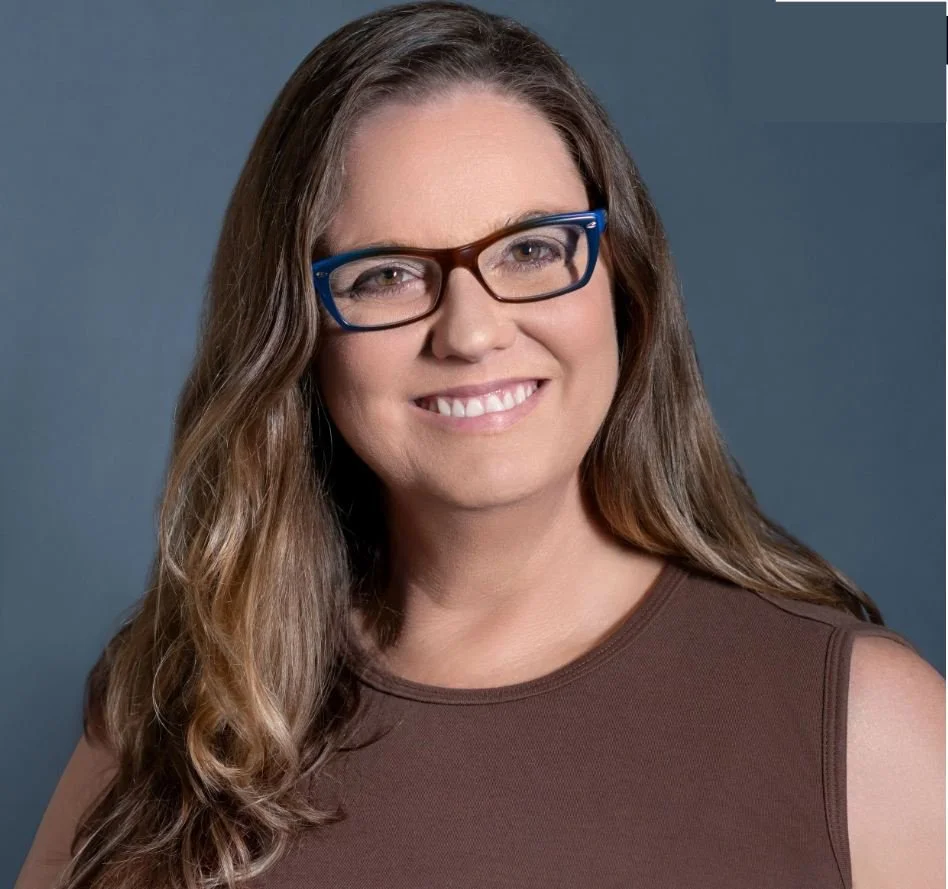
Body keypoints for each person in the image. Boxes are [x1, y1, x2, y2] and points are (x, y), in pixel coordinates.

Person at [15, 2, 944, 888]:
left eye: (532, 250)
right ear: (297, 334)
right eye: (386, 274)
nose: (470, 330)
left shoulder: (868, 727)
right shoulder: (173, 718)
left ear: (619, 283)